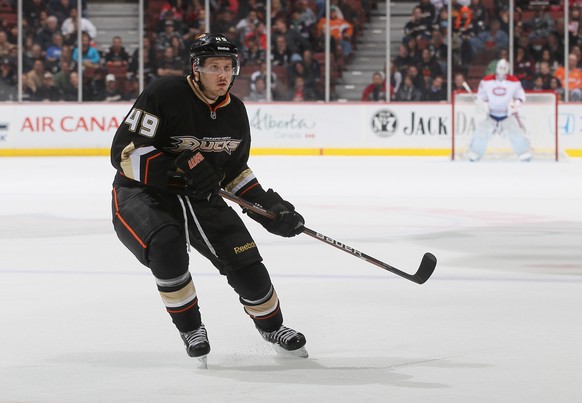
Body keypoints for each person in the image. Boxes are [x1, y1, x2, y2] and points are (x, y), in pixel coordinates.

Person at [110, 33, 307, 367]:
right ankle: (191, 329)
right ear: (196, 68)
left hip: (200, 196)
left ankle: (273, 328)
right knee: (167, 247)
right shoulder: (166, 93)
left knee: (247, 262)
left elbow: (235, 172)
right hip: (144, 192)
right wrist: (177, 169)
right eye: (214, 66)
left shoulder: (236, 111)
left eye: (228, 67)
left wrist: (271, 208)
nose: (223, 74)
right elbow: (125, 152)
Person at [466, 59, 532, 162]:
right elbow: (481, 96)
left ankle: (524, 152)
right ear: (497, 68)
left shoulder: (514, 81)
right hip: (491, 114)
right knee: (481, 133)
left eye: (504, 68)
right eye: (500, 68)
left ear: (508, 69)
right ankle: (475, 152)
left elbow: (520, 94)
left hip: (507, 114)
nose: (502, 70)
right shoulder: (486, 80)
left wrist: (517, 103)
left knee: (515, 133)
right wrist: (482, 104)